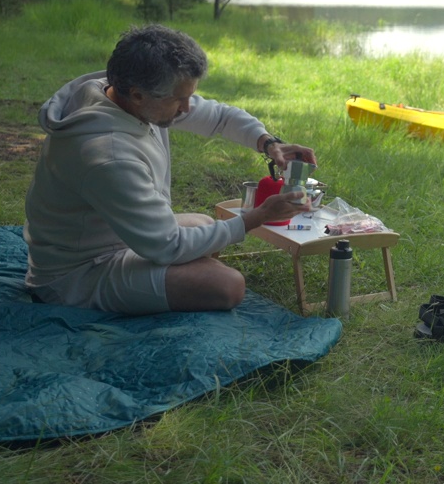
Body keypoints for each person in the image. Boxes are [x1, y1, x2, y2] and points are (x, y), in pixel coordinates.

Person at [23, 24, 314, 315]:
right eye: (179, 99)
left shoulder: (124, 96)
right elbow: (169, 246)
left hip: (118, 238)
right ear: (137, 95)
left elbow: (219, 117)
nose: (187, 108)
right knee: (227, 285)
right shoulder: (109, 155)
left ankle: (172, 279)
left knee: (201, 223)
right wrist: (257, 217)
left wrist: (268, 143)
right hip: (77, 275)